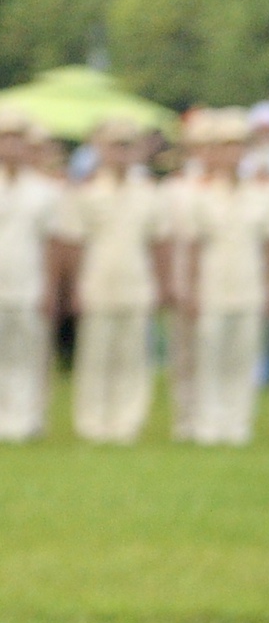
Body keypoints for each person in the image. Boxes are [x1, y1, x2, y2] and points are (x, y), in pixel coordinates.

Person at [50, 117, 165, 443]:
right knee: (95, 356)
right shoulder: (85, 192)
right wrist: (72, 287)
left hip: (137, 281)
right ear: (100, 149)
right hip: (96, 282)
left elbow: (158, 243)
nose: (121, 153)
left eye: (127, 146)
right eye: (115, 146)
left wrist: (161, 283)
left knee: (132, 357)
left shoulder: (148, 192)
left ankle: (127, 421)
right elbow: (72, 244)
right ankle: (93, 422)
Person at [173, 108, 269, 446]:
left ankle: (237, 424)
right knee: (210, 357)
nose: (231, 154)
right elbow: (191, 248)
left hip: (249, 286)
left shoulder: (260, 196)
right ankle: (208, 424)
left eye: (238, 146)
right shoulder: (201, 197)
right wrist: (188, 290)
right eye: (225, 146)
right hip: (212, 287)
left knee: (242, 357)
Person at [0, 107, 61, 440]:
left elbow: (51, 244)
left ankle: (25, 418)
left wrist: (51, 288)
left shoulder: (45, 190)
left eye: (16, 140)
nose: (10, 147)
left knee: (28, 355)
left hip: (29, 283)